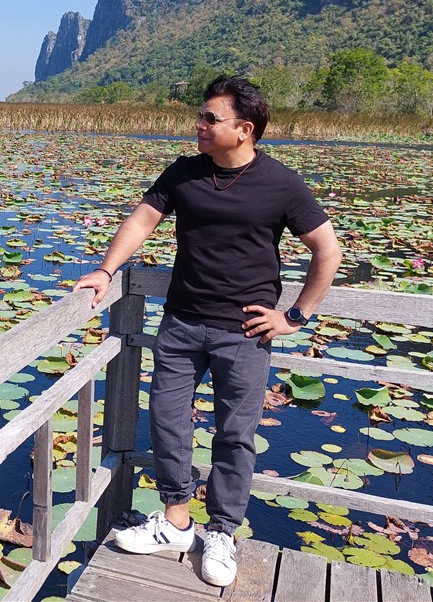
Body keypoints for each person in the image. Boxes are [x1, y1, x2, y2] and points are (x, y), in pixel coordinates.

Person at [74, 75, 341, 588]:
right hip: (180, 324)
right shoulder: (184, 172)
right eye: (200, 116)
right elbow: (142, 221)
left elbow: (326, 252)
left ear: (244, 129)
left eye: (209, 119)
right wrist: (107, 270)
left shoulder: (281, 183)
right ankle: (176, 519)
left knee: (235, 436)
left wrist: (295, 317)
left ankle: (221, 532)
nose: (198, 125)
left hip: (243, 335)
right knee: (168, 420)